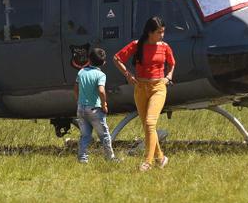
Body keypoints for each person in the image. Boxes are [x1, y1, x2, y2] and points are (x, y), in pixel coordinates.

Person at [114, 16, 176, 172]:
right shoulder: (137, 45)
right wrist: (128, 75)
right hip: (140, 88)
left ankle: (147, 162)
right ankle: (161, 158)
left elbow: (172, 63)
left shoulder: (165, 47)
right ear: (150, 32)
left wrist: (168, 77)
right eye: (158, 32)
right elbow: (117, 58)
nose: (162, 35)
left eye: (163, 32)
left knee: (150, 123)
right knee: (148, 126)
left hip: (158, 88)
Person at [74, 47, 116, 163]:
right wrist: (104, 105)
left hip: (81, 108)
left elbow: (76, 89)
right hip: (94, 109)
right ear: (103, 62)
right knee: (104, 135)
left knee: (85, 135)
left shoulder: (81, 72)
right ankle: (110, 158)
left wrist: (79, 102)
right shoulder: (100, 75)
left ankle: (82, 158)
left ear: (89, 60)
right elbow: (101, 91)